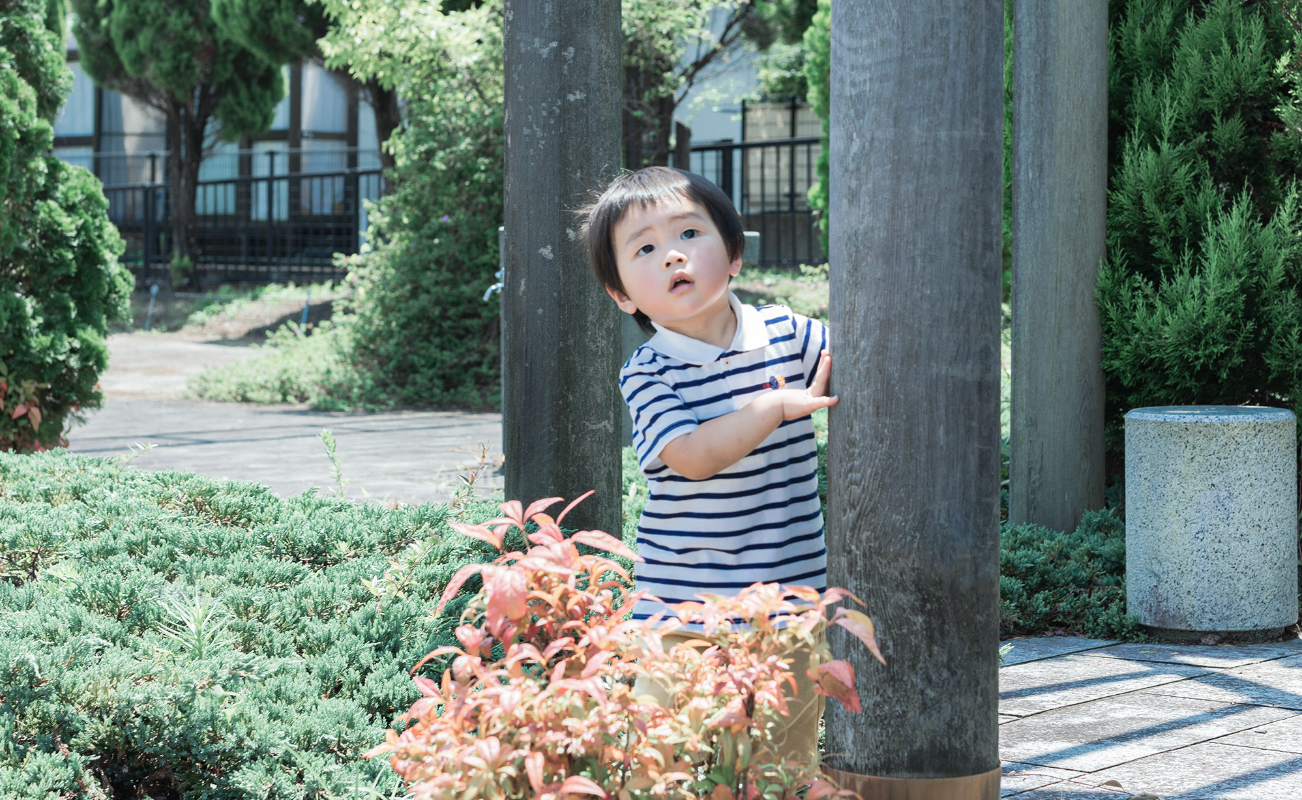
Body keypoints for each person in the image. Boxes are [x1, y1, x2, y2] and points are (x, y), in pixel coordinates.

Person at [582, 166, 837, 765]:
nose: (673, 255)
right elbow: (693, 457)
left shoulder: (788, 336)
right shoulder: (648, 372)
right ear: (622, 295)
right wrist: (774, 406)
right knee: (665, 761)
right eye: (645, 248)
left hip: (789, 609)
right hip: (680, 611)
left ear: (735, 254)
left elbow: (869, 359)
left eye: (690, 234)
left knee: (779, 767)